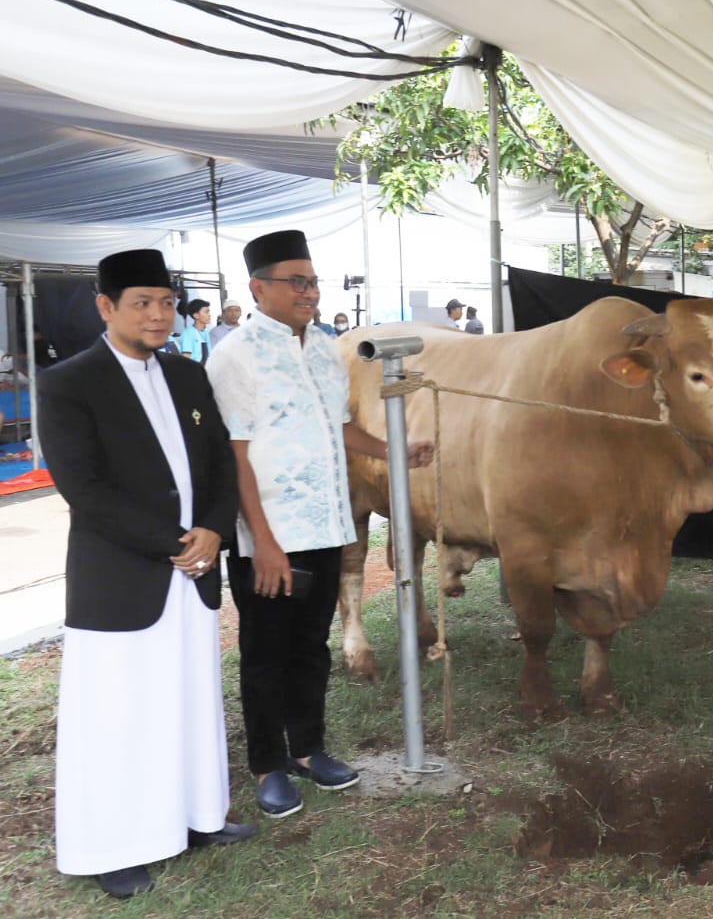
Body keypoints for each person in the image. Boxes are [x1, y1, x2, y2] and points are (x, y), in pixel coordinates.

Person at [38, 249, 253, 900]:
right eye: (142, 302)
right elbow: (85, 489)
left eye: (165, 301)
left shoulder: (189, 375)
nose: (159, 314)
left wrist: (214, 529)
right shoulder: (69, 383)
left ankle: (196, 816)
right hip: (123, 577)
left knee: (189, 699)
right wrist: (174, 544)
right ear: (106, 307)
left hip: (192, 572)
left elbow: (219, 465)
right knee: (118, 714)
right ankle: (114, 845)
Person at [207, 230, 434, 819]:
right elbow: (234, 454)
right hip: (270, 538)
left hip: (329, 527)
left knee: (312, 647)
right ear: (259, 288)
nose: (309, 291)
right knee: (265, 654)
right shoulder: (235, 356)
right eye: (296, 281)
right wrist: (264, 544)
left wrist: (394, 451)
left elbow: (337, 429)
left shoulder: (325, 349)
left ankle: (308, 750)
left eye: (312, 281)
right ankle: (266, 766)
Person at [177, 298, 211, 363]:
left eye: (209, 311)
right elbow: (186, 358)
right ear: (196, 315)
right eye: (206, 312)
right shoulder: (188, 333)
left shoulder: (205, 332)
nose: (209, 314)